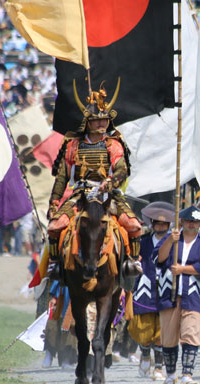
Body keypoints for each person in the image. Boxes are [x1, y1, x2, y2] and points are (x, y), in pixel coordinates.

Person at [46, 80, 142, 279]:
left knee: (134, 225)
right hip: (81, 194)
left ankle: (132, 262)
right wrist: (54, 202)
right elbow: (63, 176)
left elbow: (122, 170)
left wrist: (111, 182)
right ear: (88, 122)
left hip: (108, 195)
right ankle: (55, 265)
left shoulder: (113, 144)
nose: (102, 124)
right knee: (55, 226)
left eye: (105, 120)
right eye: (97, 120)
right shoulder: (73, 145)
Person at [155, 205, 200, 384]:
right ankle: (171, 374)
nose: (191, 224)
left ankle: (187, 374)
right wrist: (169, 242)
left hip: (193, 294)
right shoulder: (171, 238)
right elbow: (159, 259)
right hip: (169, 293)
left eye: (195, 221)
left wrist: (183, 269)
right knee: (169, 335)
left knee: (191, 333)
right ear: (182, 221)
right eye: (188, 221)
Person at [128, 202, 175, 381]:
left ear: (168, 225)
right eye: (158, 223)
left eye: (164, 224)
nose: (161, 226)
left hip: (166, 286)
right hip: (145, 287)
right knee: (143, 329)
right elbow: (132, 260)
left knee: (163, 331)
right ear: (152, 224)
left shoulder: (173, 242)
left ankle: (158, 368)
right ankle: (145, 354)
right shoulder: (142, 242)